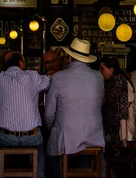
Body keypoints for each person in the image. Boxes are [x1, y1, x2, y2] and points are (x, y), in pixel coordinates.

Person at [0, 51, 50, 178]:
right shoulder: (32, 76)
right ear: (21, 63)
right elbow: (50, 83)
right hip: (32, 137)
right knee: (40, 147)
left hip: (5, 137)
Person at [44, 39, 105, 168]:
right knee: (85, 162)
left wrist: (51, 129)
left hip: (67, 139)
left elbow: (49, 114)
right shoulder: (98, 77)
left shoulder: (58, 77)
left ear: (70, 58)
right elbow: (101, 103)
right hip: (94, 136)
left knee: (51, 154)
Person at [100, 57, 134, 145]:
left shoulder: (117, 81)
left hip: (117, 126)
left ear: (111, 70)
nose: (101, 71)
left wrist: (123, 133)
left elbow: (121, 106)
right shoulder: (115, 80)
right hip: (116, 125)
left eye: (102, 69)